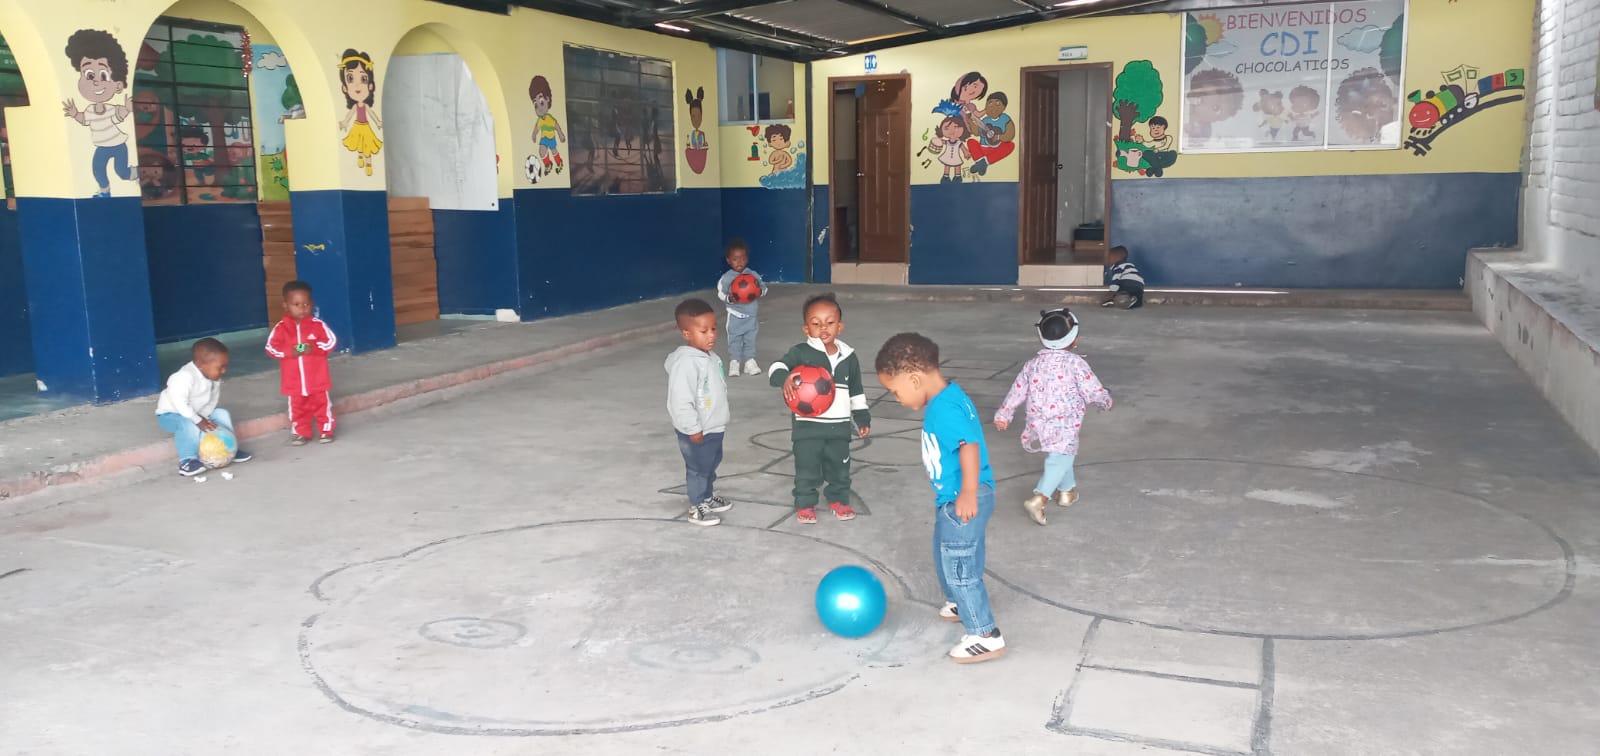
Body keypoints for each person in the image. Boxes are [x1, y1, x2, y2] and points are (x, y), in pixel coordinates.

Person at [874, 332, 1005, 664]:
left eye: (895, 391)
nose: (897, 399)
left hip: (964, 497)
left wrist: (968, 493)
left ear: (914, 379)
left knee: (959, 566)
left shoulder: (943, 410)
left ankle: (984, 635)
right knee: (950, 554)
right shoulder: (949, 398)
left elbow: (968, 446)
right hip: (956, 498)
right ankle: (962, 604)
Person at [994, 309, 1113, 525]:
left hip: (1038, 420)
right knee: (1060, 456)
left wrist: (1004, 413)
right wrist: (1104, 400)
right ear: (1074, 340)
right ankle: (1039, 498)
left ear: (1041, 336)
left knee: (1062, 453)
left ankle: (1067, 492)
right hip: (1066, 421)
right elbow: (1091, 390)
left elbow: (1017, 390)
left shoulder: (1032, 364)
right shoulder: (1076, 364)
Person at [767, 294, 870, 524]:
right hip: (807, 429)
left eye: (830, 322)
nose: (823, 328)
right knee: (807, 469)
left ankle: (838, 499)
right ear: (806, 329)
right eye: (816, 323)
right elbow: (775, 368)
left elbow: (856, 390)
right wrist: (784, 378)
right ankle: (805, 503)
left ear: (840, 327)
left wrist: (862, 417)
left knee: (840, 469)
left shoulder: (849, 357)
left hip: (839, 429)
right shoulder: (800, 352)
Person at [666, 298, 732, 526]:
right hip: (696, 430)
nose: (711, 335)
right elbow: (680, 400)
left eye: (713, 329)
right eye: (703, 331)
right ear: (686, 333)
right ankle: (696, 507)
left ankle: (706, 496)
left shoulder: (711, 357)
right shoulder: (686, 363)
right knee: (697, 469)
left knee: (710, 464)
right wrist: (692, 427)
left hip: (713, 426)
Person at [155, 338, 253, 477]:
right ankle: (187, 460)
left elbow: (213, 400)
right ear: (201, 365)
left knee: (222, 414)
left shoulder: (213, 377)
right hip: (171, 414)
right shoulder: (183, 377)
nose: (224, 371)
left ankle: (229, 448)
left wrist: (205, 417)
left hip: (197, 412)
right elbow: (180, 403)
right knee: (187, 423)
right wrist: (198, 420)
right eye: (220, 367)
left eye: (225, 366)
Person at [265, 280, 338, 445]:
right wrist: (288, 352)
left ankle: (326, 430)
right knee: (297, 409)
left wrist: (314, 348)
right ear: (286, 305)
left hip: (317, 379)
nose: (302, 308)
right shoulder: (281, 328)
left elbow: (331, 342)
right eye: (296, 304)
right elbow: (270, 348)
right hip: (293, 382)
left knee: (322, 406)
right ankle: (301, 432)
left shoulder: (318, 325)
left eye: (306, 304)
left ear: (312, 304)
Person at [716, 238, 768, 377]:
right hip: (735, 316)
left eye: (743, 258)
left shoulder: (752, 275)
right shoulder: (727, 278)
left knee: (750, 339)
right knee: (735, 340)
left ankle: (750, 362)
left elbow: (764, 288)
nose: (739, 262)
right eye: (735, 259)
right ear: (728, 260)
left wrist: (760, 292)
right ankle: (735, 362)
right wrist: (728, 298)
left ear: (747, 259)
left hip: (751, 316)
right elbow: (720, 293)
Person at [1103, 245, 1145, 309]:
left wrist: (1111, 292)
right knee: (1137, 297)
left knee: (1120, 292)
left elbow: (1116, 280)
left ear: (1115, 257)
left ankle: (1113, 301)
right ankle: (1134, 302)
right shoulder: (1129, 265)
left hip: (1128, 283)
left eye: (1109, 257)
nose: (1108, 259)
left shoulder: (1118, 266)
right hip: (1140, 284)